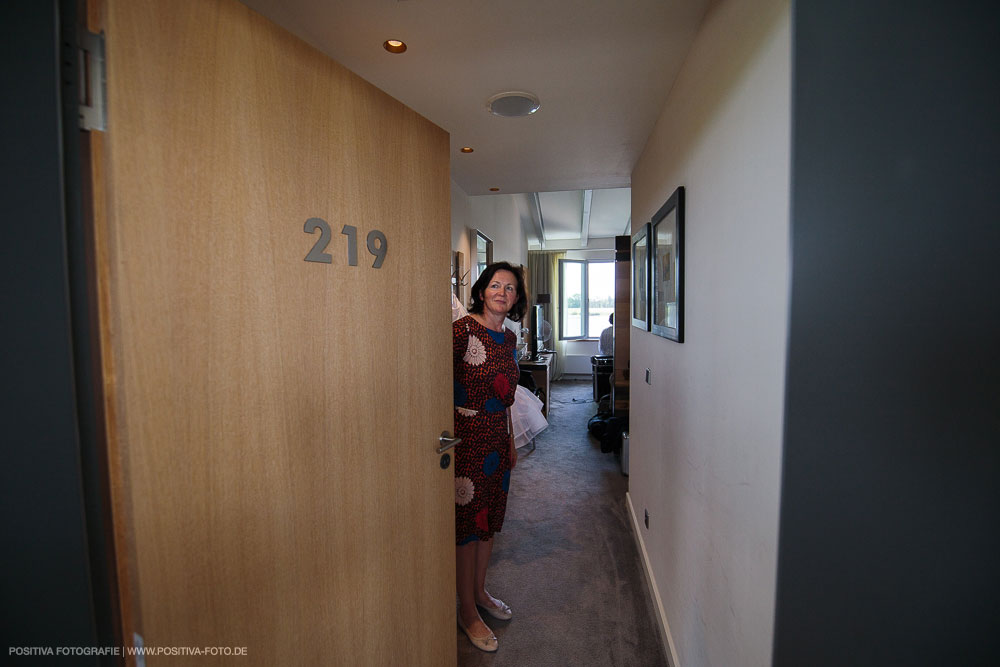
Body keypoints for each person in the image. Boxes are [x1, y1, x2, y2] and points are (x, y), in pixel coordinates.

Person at [452, 261, 527, 652]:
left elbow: (508, 398)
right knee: (467, 528)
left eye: (510, 288)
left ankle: (480, 592)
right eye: (495, 285)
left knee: (489, 521)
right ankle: (466, 610)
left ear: (516, 298)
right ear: (482, 291)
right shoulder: (462, 331)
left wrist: (511, 441)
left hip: (498, 440)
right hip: (466, 442)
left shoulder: (510, 339)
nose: (502, 292)